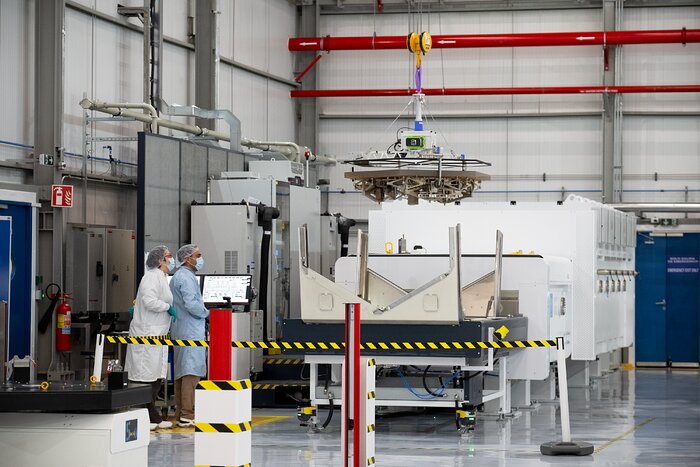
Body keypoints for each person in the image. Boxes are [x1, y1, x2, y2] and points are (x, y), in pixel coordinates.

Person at [124, 245, 177, 430]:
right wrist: (167, 307)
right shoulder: (151, 276)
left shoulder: (161, 277)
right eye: (168, 256)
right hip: (147, 332)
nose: (171, 259)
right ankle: (145, 418)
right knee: (144, 377)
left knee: (154, 376)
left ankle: (152, 418)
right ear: (160, 260)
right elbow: (148, 301)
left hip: (156, 332)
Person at [169, 244, 209, 427]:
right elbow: (192, 304)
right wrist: (208, 314)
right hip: (191, 330)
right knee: (192, 373)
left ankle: (180, 412)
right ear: (187, 258)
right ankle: (188, 413)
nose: (200, 258)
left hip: (182, 329)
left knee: (182, 372)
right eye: (197, 255)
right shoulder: (185, 277)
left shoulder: (181, 276)